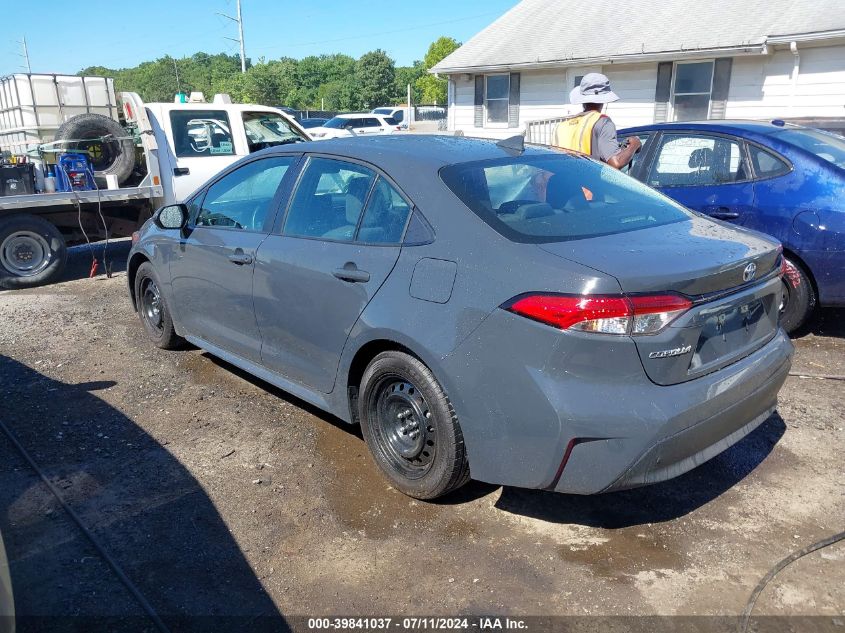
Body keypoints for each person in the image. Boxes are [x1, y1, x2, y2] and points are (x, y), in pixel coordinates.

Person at [552, 73, 641, 169]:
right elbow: (616, 163)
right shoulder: (603, 122)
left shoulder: (561, 126)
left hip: (562, 183)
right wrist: (635, 144)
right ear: (603, 99)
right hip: (588, 183)